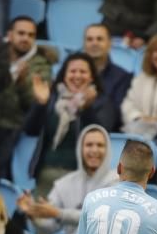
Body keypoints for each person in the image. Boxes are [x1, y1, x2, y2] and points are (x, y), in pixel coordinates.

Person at [23, 52, 117, 197]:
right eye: (73, 71)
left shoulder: (102, 102)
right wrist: (40, 105)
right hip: (46, 176)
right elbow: (30, 130)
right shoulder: (52, 99)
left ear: (92, 76)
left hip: (81, 180)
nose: (77, 76)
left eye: (83, 72)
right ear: (64, 75)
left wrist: (86, 109)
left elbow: (101, 134)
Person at [0, 15, 55, 174]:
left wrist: (20, 84)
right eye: (21, 33)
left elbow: (33, 104)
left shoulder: (42, 65)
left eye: (31, 35)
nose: (25, 38)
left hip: (17, 126)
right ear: (10, 34)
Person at [81, 23, 133, 124]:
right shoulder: (73, 75)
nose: (94, 43)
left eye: (99, 39)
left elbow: (117, 116)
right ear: (84, 44)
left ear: (109, 44)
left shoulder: (123, 77)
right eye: (89, 39)